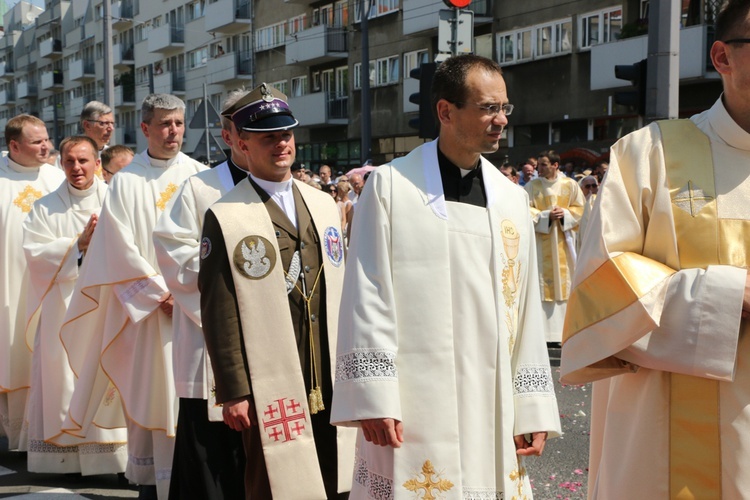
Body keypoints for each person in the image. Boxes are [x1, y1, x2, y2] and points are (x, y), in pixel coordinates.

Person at [330, 54, 560, 499]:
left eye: (504, 108)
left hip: (491, 397)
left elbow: (525, 308)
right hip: (412, 401)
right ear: (446, 111)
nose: (500, 121)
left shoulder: (512, 199)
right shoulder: (391, 186)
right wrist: (375, 396)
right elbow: (367, 292)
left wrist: (531, 407)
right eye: (488, 108)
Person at [560, 1, 750, 497]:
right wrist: (730, 297)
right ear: (722, 57)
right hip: (671, 441)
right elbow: (602, 282)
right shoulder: (649, 154)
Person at [198, 83, 356, 499]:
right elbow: (220, 309)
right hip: (270, 371)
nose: (281, 144)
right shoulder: (225, 214)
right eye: (268, 138)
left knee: (336, 468)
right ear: (242, 144)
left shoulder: (322, 201)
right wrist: (233, 390)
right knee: (275, 478)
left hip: (327, 360)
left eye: (286, 134)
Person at [59, 94, 206, 499]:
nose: (172, 131)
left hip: (193, 311)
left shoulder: (202, 175)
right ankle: (154, 485)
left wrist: (188, 292)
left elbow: (210, 242)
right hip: (150, 313)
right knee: (153, 392)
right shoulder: (126, 181)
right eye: (164, 124)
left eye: (177, 123)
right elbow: (116, 247)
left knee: (193, 397)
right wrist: (161, 293)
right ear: (145, 129)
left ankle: (195, 481)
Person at [153, 89, 252, 500]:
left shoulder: (291, 192)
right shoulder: (200, 189)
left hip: (274, 342)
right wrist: (239, 288)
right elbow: (174, 255)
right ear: (229, 136)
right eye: (250, 131)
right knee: (210, 456)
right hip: (211, 339)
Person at [22, 136, 127, 474]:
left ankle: (114, 459)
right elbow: (35, 254)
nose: (76, 168)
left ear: (98, 163)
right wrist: (76, 246)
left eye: (83, 161)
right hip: (62, 309)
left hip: (106, 304)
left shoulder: (116, 200)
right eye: (69, 161)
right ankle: (66, 458)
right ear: (61, 164)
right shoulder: (45, 206)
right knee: (65, 378)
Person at [0, 115, 65, 450]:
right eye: (37, 141)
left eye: (47, 139)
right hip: (4, 290)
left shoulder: (58, 179)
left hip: (49, 288)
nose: (46, 146)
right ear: (14, 146)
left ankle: (40, 435)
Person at [524, 150, 584, 343]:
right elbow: (525, 209)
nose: (538, 168)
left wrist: (565, 213)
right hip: (541, 244)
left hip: (564, 244)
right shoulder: (532, 186)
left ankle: (564, 332)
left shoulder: (571, 185)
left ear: (555, 165)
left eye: (543, 164)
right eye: (538, 164)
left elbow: (581, 209)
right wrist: (545, 216)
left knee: (566, 285)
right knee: (542, 284)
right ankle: (543, 334)